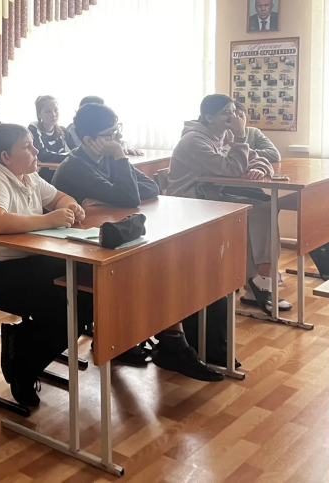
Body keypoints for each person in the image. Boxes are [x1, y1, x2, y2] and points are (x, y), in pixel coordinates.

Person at [52, 104, 222, 381]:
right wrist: (119, 168)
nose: (117, 138)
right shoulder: (76, 167)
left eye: (117, 130)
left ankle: (170, 341)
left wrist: (109, 197)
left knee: (170, 261)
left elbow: (151, 187)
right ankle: (167, 343)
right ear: (89, 140)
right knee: (158, 267)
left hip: (110, 242)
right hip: (80, 253)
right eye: (110, 134)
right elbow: (130, 197)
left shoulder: (105, 158)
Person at [0, 124, 89, 407]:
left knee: (84, 291)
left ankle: (24, 343)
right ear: (6, 157)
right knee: (65, 311)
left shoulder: (29, 176)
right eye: (27, 146)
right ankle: (22, 364)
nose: (35, 150)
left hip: (30, 259)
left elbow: (59, 197)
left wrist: (72, 205)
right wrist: (48, 220)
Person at [167, 94, 289, 314]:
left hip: (213, 196)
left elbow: (259, 158)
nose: (233, 117)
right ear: (208, 117)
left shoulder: (224, 135)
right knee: (255, 212)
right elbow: (232, 169)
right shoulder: (194, 140)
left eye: (234, 112)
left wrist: (259, 168)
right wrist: (241, 136)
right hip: (190, 202)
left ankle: (258, 283)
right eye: (226, 113)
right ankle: (261, 281)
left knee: (265, 208)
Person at [27, 95, 74, 177]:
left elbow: (76, 149)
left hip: (62, 170)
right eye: (48, 111)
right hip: (43, 173)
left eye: (56, 110)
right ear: (39, 114)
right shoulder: (33, 130)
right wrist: (70, 156)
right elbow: (42, 155)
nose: (53, 114)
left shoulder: (63, 131)